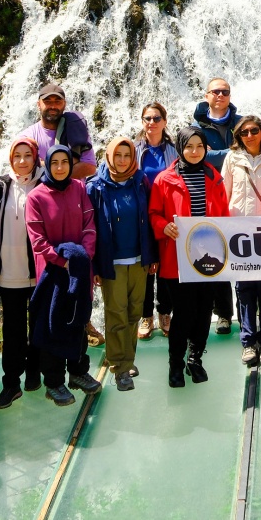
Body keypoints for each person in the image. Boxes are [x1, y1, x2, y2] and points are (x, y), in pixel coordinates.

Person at [150, 127, 232, 387]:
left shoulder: (214, 177)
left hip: (209, 258)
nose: (194, 151)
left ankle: (195, 358)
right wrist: (163, 226)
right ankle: (175, 363)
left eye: (199, 146)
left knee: (204, 311)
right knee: (184, 313)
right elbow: (153, 214)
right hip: (177, 259)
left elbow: (224, 217)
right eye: (189, 146)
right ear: (180, 148)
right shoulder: (164, 179)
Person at [26, 145, 102, 405]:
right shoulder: (36, 197)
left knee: (78, 320)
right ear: (47, 164)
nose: (60, 167)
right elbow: (37, 240)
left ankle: (79, 372)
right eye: (55, 162)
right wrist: (62, 261)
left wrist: (84, 256)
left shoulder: (79, 189)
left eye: (64, 162)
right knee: (52, 324)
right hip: (52, 271)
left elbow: (89, 226)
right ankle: (54, 381)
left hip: (80, 268)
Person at [0, 139, 44, 409]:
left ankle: (35, 375)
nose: (23, 161)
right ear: (11, 159)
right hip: (8, 270)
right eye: (18, 156)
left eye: (28, 156)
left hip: (37, 271)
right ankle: (11, 382)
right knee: (13, 329)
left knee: (38, 325)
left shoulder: (44, 183)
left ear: (36, 157)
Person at [87, 137, 158, 391]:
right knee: (116, 311)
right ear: (109, 156)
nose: (123, 160)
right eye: (118, 155)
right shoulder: (95, 187)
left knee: (134, 311)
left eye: (127, 155)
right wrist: (94, 265)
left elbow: (149, 218)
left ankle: (127, 356)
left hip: (138, 260)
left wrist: (152, 256)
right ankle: (120, 366)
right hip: (112, 261)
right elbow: (90, 228)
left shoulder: (140, 182)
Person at [223, 114, 261, 366]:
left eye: (254, 131)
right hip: (240, 232)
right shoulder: (231, 158)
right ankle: (248, 342)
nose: (249, 136)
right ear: (238, 136)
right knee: (244, 290)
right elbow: (225, 191)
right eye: (244, 132)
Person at [191, 78, 240, 333]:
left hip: (239, 190)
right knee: (213, 250)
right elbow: (195, 154)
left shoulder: (242, 123)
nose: (220, 95)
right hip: (207, 190)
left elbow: (245, 149)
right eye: (215, 91)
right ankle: (219, 313)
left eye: (225, 91)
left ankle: (239, 312)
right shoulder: (195, 125)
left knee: (242, 252)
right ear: (206, 95)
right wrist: (230, 152)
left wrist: (215, 153)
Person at [136, 103, 179, 340]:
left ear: (164, 121)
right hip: (141, 217)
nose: (151, 122)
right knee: (145, 267)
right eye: (147, 118)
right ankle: (146, 316)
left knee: (165, 266)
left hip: (166, 215)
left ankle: (165, 312)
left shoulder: (173, 151)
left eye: (156, 118)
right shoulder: (133, 150)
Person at [17, 82, 96, 178]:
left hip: (75, 192)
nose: (53, 106)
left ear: (64, 104)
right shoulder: (28, 136)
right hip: (41, 192)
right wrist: (72, 163)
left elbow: (89, 166)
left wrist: (44, 165)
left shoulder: (77, 129)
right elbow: (25, 168)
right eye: (48, 102)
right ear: (38, 104)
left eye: (57, 101)